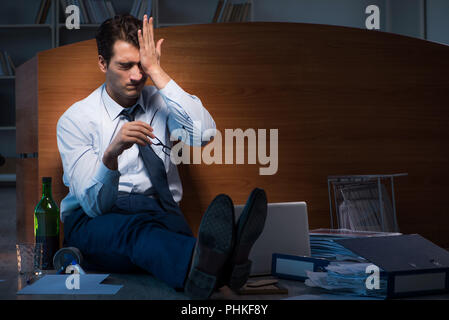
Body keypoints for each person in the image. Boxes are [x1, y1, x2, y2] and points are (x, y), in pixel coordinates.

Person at [56, 14, 267, 299]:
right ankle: (228, 265)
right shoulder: (76, 119)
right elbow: (94, 206)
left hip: (158, 214)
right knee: (139, 232)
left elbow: (203, 134)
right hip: (94, 222)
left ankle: (211, 268)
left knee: (170, 237)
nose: (136, 76)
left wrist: (157, 70)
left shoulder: (159, 100)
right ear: (102, 63)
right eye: (125, 66)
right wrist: (111, 154)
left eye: (140, 65)